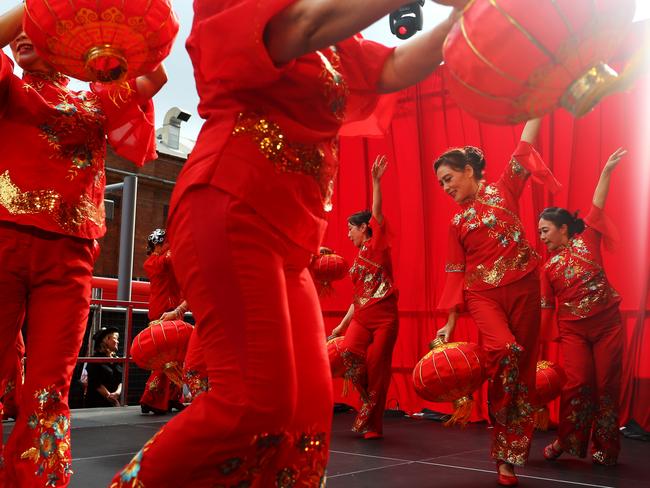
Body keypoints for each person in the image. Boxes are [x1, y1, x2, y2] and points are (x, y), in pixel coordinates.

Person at [111, 1, 468, 486]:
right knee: (254, 402)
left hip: (291, 241)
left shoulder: (336, 44)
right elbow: (301, 26)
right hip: (232, 205)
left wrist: (460, 17)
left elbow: (393, 67)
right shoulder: (247, 8)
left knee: (307, 407)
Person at [0, 4, 167, 486]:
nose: (21, 39)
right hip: (2, 245)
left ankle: (35, 478)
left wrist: (104, 31)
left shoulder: (96, 100)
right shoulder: (7, 89)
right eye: (19, 35)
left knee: (50, 382)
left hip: (70, 256)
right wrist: (40, 9)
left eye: (36, 34)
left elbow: (153, 72)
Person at [433, 118, 560, 486]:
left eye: (449, 179)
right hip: (483, 296)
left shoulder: (504, 190)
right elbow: (456, 272)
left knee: (521, 370)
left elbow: (524, 145)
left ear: (468, 171)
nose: (446, 188)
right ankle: (493, 422)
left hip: (524, 289)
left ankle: (508, 456)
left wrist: (537, 100)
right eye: (441, 183)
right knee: (504, 352)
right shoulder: (457, 224)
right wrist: (451, 321)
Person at [538, 148, 626, 466]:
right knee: (577, 384)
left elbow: (596, 205)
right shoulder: (547, 268)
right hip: (573, 330)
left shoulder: (587, 240)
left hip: (607, 325)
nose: (542, 238)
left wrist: (606, 172)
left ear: (563, 228)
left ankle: (606, 447)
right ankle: (566, 439)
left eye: (545, 230)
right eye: (539, 233)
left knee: (606, 384)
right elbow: (547, 308)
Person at [329, 155, 398, 439]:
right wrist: (342, 326)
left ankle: (373, 424)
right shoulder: (357, 261)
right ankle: (368, 405)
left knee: (377, 367)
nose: (347, 234)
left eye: (350, 229)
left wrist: (376, 181)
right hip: (361, 318)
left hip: (384, 319)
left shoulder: (379, 244)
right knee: (350, 356)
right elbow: (356, 298)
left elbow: (377, 212)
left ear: (363, 228)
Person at [139, 229, 187, 414]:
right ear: (157, 245)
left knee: (177, 356)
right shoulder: (153, 262)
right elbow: (171, 258)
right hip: (163, 312)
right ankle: (151, 399)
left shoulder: (165, 260)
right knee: (166, 358)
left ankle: (173, 397)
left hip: (172, 310)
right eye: (165, 243)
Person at [85, 327, 123, 408]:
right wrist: (111, 398)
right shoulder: (94, 360)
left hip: (115, 401)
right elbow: (96, 384)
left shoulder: (118, 359)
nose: (118, 341)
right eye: (115, 338)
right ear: (106, 340)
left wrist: (117, 393)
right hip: (98, 404)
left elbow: (122, 380)